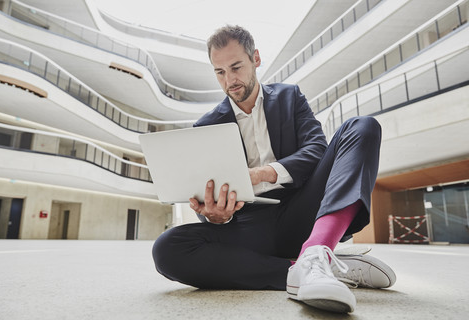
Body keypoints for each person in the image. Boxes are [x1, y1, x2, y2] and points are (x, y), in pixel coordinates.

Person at [152, 25, 396, 313]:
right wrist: (217, 217)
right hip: (247, 227)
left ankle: (317, 249)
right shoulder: (206, 126)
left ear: (255, 58)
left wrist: (264, 173)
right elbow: (207, 195)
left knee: (362, 127)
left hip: (300, 212)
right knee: (167, 249)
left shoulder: (290, 98)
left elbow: (316, 149)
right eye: (220, 72)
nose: (230, 80)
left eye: (236, 67)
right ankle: (306, 268)